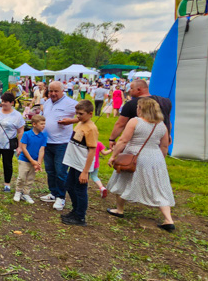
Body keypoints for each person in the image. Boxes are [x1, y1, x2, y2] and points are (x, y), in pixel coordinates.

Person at [106, 98, 175, 231]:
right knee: (159, 187)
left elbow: (123, 140)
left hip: (134, 156)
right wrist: (160, 160)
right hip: (155, 157)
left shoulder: (135, 121)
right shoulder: (161, 125)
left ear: (141, 109)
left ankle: (119, 209)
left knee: (123, 180)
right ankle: (168, 219)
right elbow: (164, 145)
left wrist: (113, 156)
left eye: (138, 107)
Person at [39, 81, 78, 211]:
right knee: (50, 170)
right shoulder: (47, 102)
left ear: (63, 91)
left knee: (61, 171)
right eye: (51, 91)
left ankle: (61, 197)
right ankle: (53, 193)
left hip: (62, 142)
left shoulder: (71, 103)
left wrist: (70, 121)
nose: (53, 94)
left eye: (56, 91)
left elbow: (85, 115)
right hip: (47, 141)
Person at [60, 100, 98, 226]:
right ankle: (75, 211)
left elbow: (92, 150)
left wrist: (85, 171)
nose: (78, 116)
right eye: (77, 113)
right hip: (74, 163)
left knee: (80, 190)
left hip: (82, 165)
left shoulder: (91, 128)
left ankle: (80, 216)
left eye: (81, 114)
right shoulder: (81, 123)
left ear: (90, 114)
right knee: (69, 186)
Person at [108, 80, 172, 150]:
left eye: (131, 88)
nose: (129, 90)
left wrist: (112, 139)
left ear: (139, 89)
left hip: (138, 143)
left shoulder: (131, 104)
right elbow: (168, 121)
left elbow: (120, 124)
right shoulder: (165, 101)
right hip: (159, 141)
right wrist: (167, 135)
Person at [16, 115, 47, 203]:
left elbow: (42, 150)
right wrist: (32, 161)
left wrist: (39, 163)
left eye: (44, 124)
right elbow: (24, 148)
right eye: (41, 124)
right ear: (34, 124)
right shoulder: (26, 134)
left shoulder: (43, 136)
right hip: (24, 160)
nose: (43, 126)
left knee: (30, 178)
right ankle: (18, 191)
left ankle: (26, 194)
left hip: (35, 162)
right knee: (22, 177)